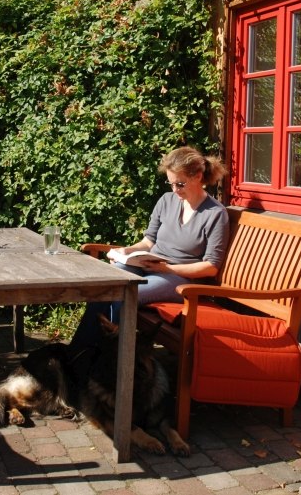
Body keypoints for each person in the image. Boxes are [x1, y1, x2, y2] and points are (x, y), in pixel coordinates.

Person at [70, 146, 230, 349]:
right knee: (107, 285)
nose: (175, 190)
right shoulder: (167, 201)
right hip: (149, 265)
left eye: (180, 184)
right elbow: (148, 241)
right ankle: (80, 351)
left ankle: (110, 354)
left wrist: (167, 268)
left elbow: (210, 267)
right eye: (171, 183)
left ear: (198, 176)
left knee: (125, 292)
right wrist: (125, 252)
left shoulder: (215, 214)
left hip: (180, 278)